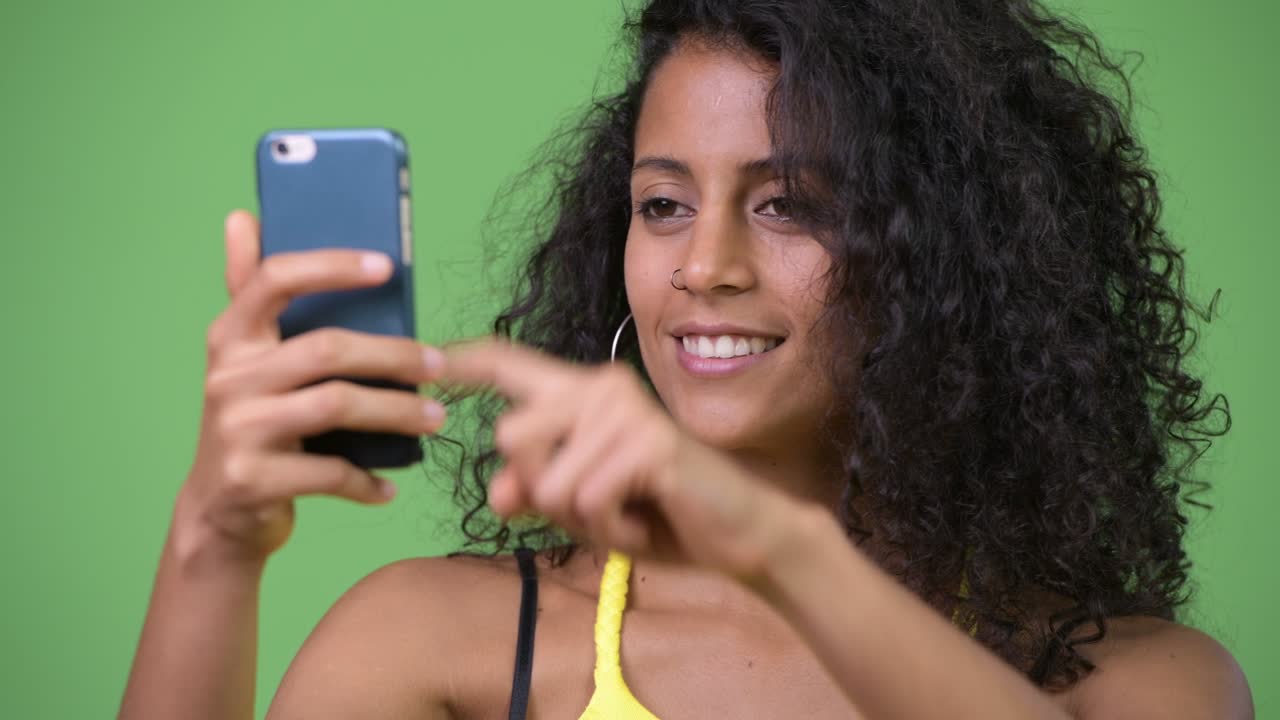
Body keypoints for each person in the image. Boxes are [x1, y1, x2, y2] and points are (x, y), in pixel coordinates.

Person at [120, 0, 1254, 717]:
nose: (701, 264)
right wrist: (211, 546)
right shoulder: (440, 644)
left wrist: (778, 549)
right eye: (662, 203)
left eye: (790, 204)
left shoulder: (1142, 682)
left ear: (947, 263)